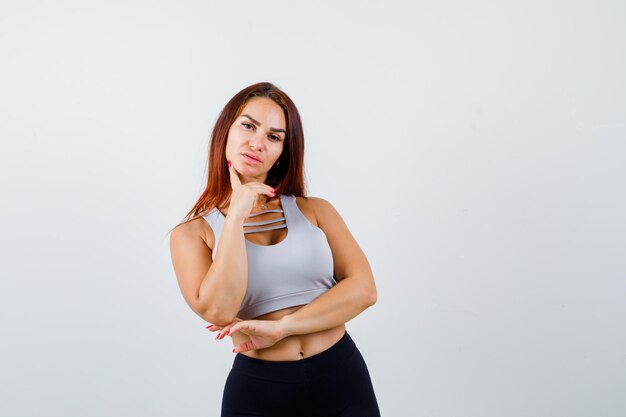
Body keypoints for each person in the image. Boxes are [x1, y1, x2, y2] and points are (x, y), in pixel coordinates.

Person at [169, 82, 381, 416]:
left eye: (274, 136)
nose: (257, 143)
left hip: (341, 378)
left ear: (284, 150)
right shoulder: (191, 234)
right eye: (248, 126)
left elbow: (364, 290)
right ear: (226, 130)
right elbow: (220, 312)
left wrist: (284, 327)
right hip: (259, 392)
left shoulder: (316, 211)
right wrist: (235, 216)